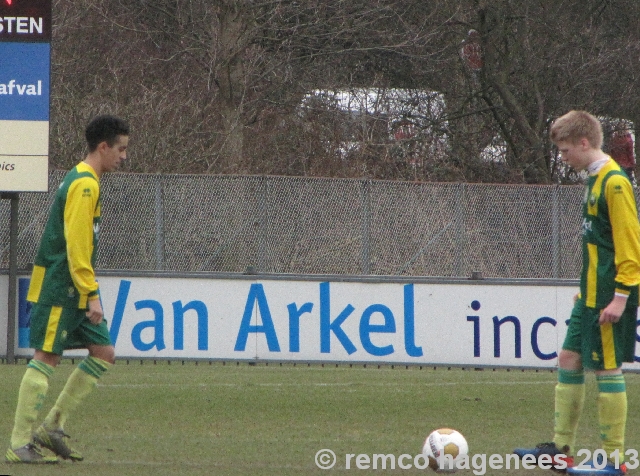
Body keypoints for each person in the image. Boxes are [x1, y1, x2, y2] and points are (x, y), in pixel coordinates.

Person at [514, 111, 640, 476]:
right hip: (589, 295)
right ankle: (560, 450)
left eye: (566, 150)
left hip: (607, 297)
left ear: (585, 143)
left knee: (606, 368)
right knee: (569, 358)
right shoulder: (594, 179)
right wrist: (583, 289)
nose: (563, 157)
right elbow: (596, 244)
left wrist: (620, 297)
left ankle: (614, 461)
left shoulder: (615, 183)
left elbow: (629, 246)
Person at [5, 115, 130, 464]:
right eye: (120, 149)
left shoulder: (86, 179)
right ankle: (18, 444)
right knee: (47, 357)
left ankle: (52, 426)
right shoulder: (85, 185)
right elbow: (77, 246)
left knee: (103, 352)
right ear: (103, 147)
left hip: (73, 285)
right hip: (63, 285)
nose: (123, 156)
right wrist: (91, 293)